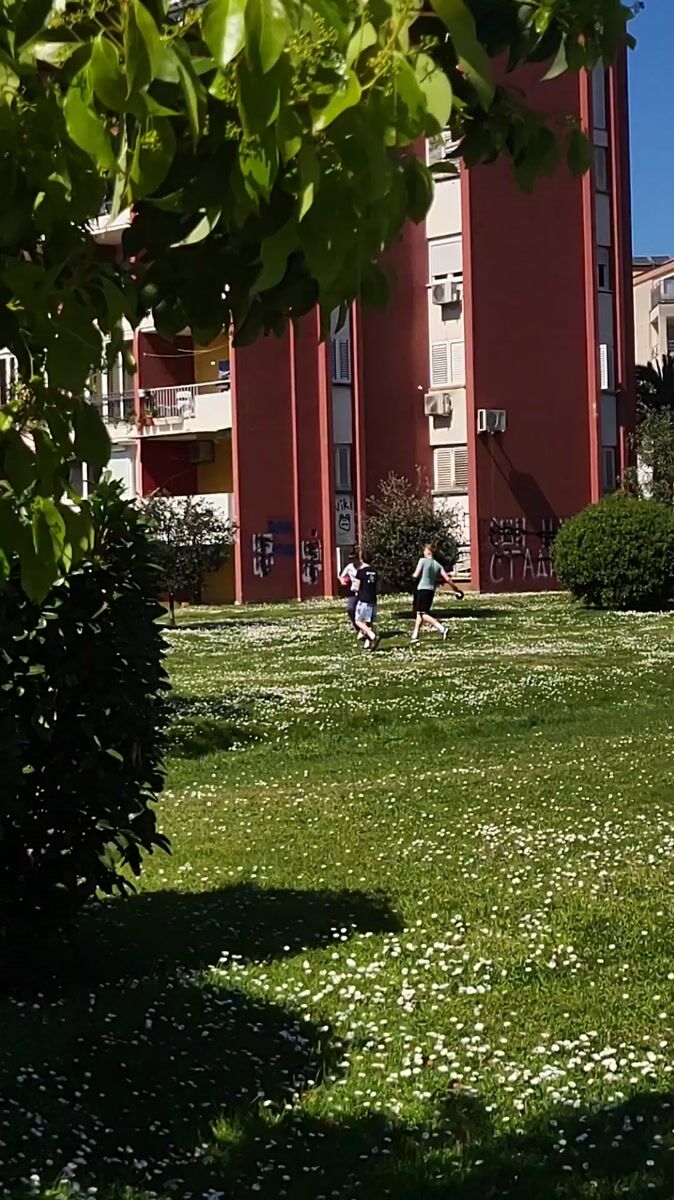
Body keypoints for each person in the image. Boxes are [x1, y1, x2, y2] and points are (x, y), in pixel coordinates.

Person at [411, 544, 464, 643]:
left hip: (422, 589)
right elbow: (447, 579)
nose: (423, 552)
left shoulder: (422, 561)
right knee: (419, 612)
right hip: (431, 590)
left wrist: (411, 577)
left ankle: (442, 628)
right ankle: (415, 635)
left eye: (424, 550)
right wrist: (456, 589)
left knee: (423, 614)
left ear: (428, 551)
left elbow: (415, 575)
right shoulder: (437, 565)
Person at [353, 559, 380, 650]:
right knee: (368, 622)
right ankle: (367, 644)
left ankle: (372, 636)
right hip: (373, 599)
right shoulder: (375, 572)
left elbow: (356, 587)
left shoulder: (360, 572)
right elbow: (378, 587)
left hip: (363, 599)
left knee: (358, 621)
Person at [339, 548, 363, 638]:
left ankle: (365, 629)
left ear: (357, 559)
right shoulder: (349, 567)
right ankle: (358, 627)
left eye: (353, 559)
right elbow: (341, 576)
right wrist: (343, 581)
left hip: (363, 591)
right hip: (353, 591)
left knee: (362, 611)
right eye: (350, 559)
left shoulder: (363, 567)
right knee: (350, 609)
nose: (352, 561)